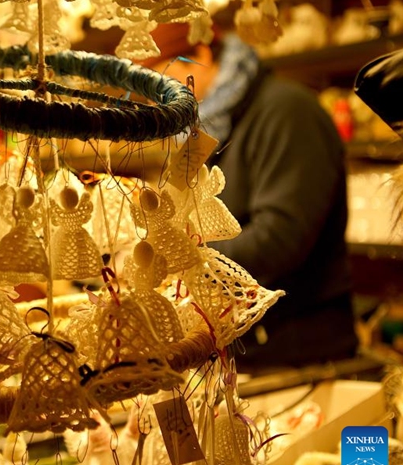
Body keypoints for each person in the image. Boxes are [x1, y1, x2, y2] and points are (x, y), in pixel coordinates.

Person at [141, 24, 357, 371]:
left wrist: (180, 263)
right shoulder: (200, 130)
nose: (156, 100)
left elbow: (280, 239)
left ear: (202, 55)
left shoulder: (286, 112)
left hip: (301, 352)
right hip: (240, 348)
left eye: (161, 81)